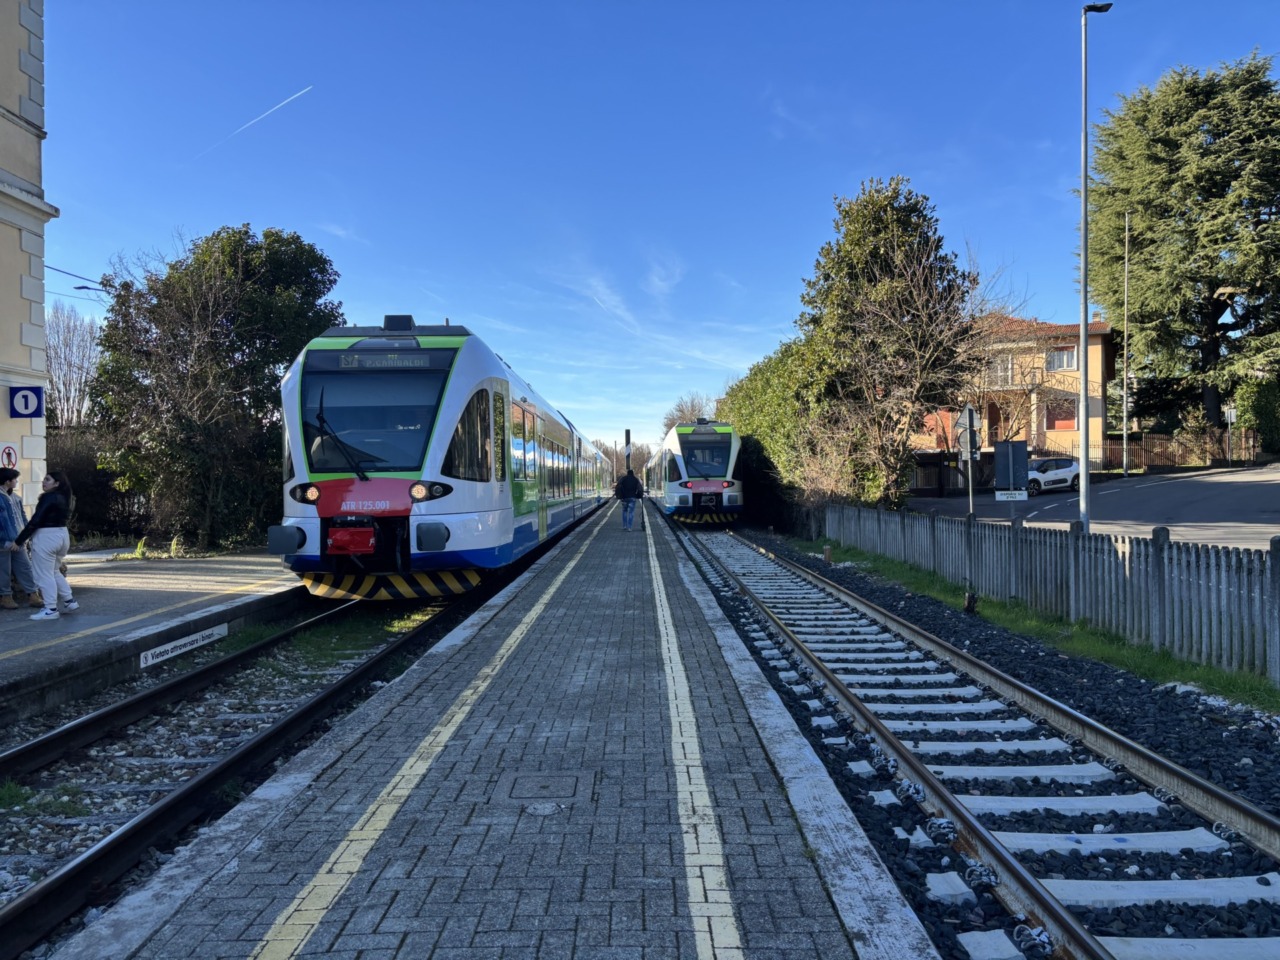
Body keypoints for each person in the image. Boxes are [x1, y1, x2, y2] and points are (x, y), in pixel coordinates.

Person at [13, 470, 77, 621]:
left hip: (46, 536)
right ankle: (69, 601)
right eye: (44, 479)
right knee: (54, 571)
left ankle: (50, 609)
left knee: (44, 574)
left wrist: (19, 541)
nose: (44, 482)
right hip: (62, 534)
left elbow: (36, 520)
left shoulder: (48, 497)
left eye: (47, 480)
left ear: (57, 483)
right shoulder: (67, 497)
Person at [0, 468, 40, 609]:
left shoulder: (15, 497)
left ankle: (33, 595)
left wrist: (24, 536)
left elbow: (22, 518)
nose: (17, 481)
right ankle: (6, 597)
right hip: (3, 542)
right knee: (4, 570)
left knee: (25, 567)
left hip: (18, 540)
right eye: (15, 479)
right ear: (7, 481)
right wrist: (4, 540)